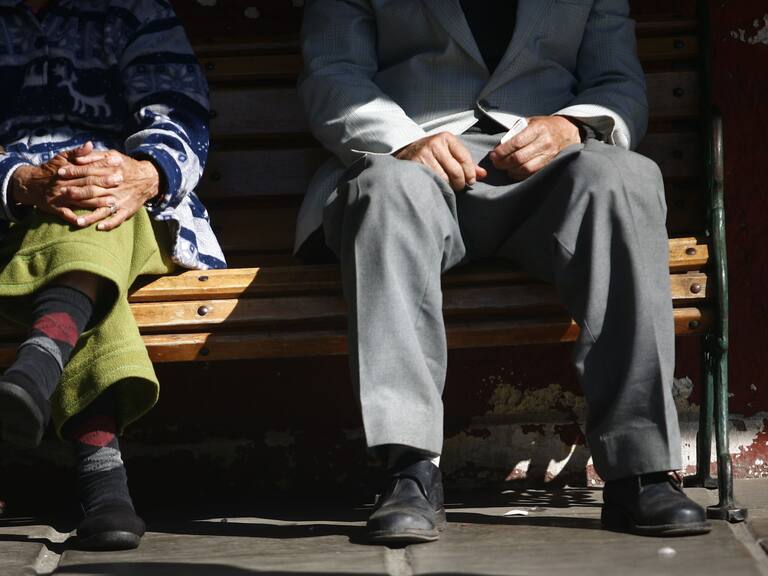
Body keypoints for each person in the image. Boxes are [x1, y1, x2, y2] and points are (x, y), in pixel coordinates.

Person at [296, 0, 711, 543]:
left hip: (546, 169)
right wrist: (401, 143)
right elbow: (332, 75)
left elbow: (618, 83)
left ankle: (642, 470)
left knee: (624, 178)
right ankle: (409, 472)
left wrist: (571, 125)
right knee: (385, 191)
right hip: (413, 160)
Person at [0, 0, 224, 550]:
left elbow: (180, 113)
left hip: (136, 214)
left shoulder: (133, 10)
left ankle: (41, 366)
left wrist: (141, 173)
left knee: (95, 210)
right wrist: (21, 180)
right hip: (9, 216)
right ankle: (104, 488)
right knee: (85, 253)